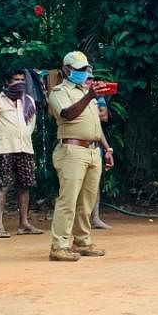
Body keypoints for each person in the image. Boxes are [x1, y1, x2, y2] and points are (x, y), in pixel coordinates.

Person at [46, 51, 113, 261]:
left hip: (93, 150)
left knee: (87, 200)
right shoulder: (59, 91)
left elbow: (96, 124)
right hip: (72, 150)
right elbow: (67, 114)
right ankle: (59, 245)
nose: (84, 72)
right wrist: (89, 96)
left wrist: (107, 148)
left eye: (85, 69)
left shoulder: (86, 91)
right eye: (79, 69)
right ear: (66, 69)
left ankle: (82, 240)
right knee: (68, 199)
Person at [0, 67, 45, 238]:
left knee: (25, 186)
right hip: (3, 149)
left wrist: (22, 135)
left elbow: (31, 126)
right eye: (16, 80)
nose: (20, 83)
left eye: (22, 80)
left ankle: (23, 223)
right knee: (2, 186)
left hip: (25, 147)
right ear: (7, 82)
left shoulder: (29, 102)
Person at [90, 90, 112, 230]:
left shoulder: (97, 96)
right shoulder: (66, 93)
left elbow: (103, 117)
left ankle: (95, 218)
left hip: (94, 145)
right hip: (73, 145)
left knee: (94, 182)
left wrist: (107, 149)